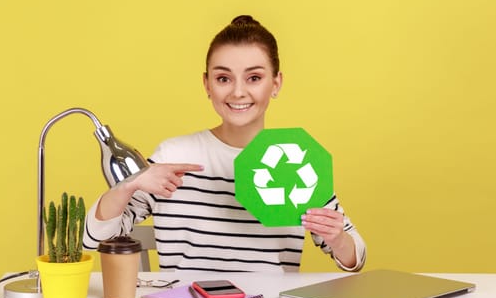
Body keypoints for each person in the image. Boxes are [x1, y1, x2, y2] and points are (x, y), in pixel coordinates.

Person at [84, 15, 366, 272]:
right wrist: (131, 183)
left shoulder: (296, 158)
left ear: (276, 83)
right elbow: (95, 238)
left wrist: (337, 237)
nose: (238, 92)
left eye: (254, 77)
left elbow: (354, 258)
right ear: (207, 85)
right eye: (223, 78)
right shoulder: (174, 155)